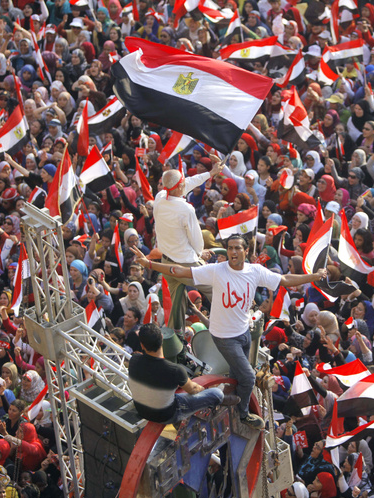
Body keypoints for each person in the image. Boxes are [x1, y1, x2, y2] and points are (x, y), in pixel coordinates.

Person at [131, 235, 327, 429]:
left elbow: (284, 279)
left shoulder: (256, 271)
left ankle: (232, 401)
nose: (233, 252)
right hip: (223, 337)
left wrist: (314, 277)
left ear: (246, 251)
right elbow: (180, 271)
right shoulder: (217, 270)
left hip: (244, 333)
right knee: (249, 377)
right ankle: (243, 414)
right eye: (230, 248)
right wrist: (149, 264)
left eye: (237, 248)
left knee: (237, 375)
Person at [152, 164, 220, 334]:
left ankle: (178, 341)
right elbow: (197, 242)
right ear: (180, 187)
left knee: (177, 307)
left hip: (167, 263)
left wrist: (210, 173)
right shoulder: (185, 209)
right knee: (216, 286)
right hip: (187, 265)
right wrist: (199, 254)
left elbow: (185, 183)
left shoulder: (160, 197)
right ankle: (225, 327)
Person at [127, 322, 238, 424]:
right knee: (216, 394)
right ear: (162, 338)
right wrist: (205, 390)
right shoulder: (174, 370)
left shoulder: (134, 360)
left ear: (142, 345)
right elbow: (193, 390)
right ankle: (219, 399)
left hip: (141, 411)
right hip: (166, 415)